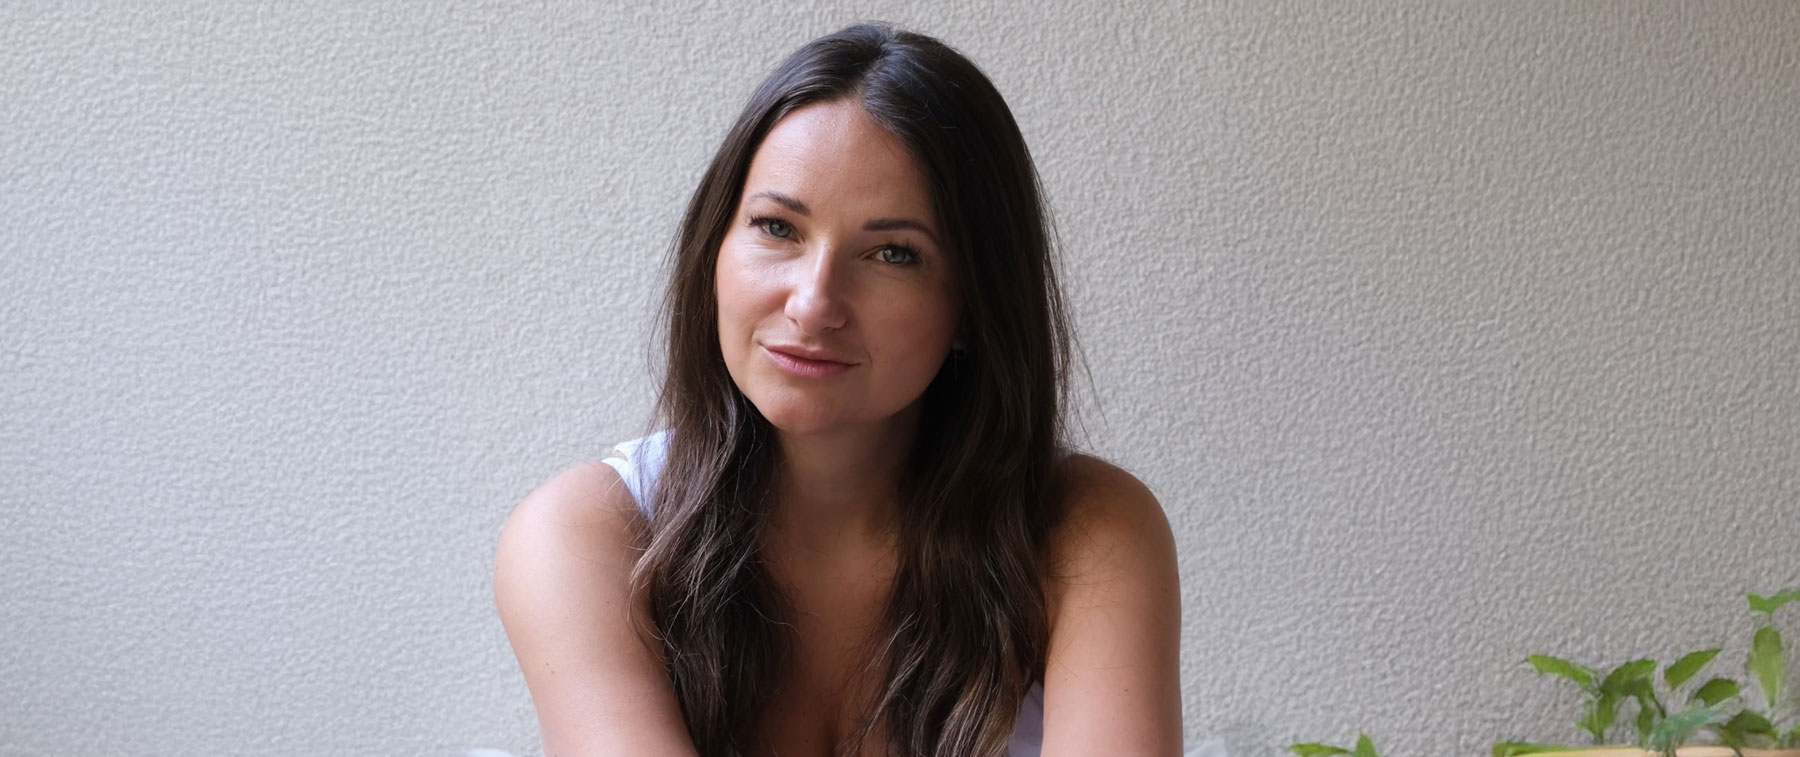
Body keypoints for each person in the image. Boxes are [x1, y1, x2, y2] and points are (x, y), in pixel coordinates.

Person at [494, 23, 1181, 757]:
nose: (814, 303)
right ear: (714, 250)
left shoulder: (1084, 533)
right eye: (777, 227)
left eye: (893, 253)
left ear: (973, 307)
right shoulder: (586, 534)